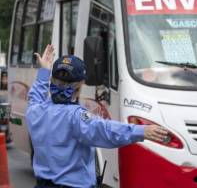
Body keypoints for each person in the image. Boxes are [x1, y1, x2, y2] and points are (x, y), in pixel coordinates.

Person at [26, 44, 168, 188]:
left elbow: (35, 95)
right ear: (80, 85)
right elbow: (105, 129)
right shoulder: (77, 116)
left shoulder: (35, 111)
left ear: (52, 82)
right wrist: (142, 131)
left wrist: (44, 71)